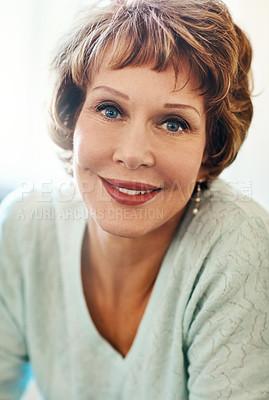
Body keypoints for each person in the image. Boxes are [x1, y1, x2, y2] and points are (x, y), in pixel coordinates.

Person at [0, 0, 269, 398]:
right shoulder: (24, 224)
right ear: (73, 118)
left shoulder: (239, 246)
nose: (132, 153)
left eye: (173, 123)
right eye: (110, 110)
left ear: (208, 154)